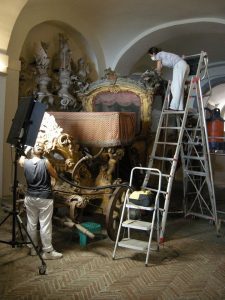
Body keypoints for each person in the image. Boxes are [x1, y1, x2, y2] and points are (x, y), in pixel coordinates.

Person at [18, 142, 63, 260]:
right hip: (44, 198)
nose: (39, 146)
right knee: (45, 225)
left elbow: (21, 159)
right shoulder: (46, 162)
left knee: (31, 224)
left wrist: (26, 148)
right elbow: (55, 176)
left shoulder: (25, 162)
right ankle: (47, 251)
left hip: (30, 197)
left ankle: (33, 248)